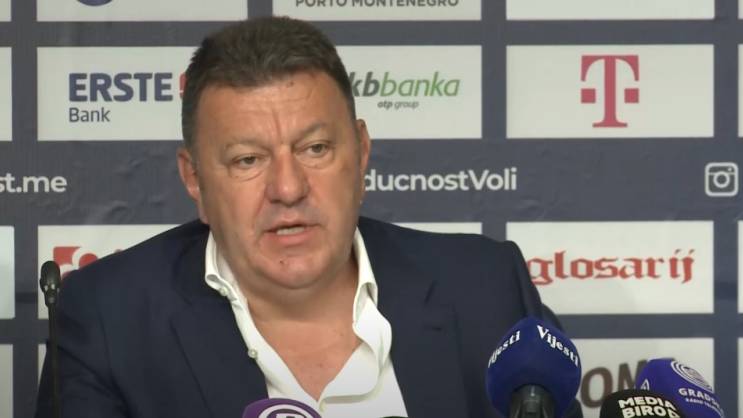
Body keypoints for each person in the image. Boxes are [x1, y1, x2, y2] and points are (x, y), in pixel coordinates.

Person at [36, 16, 580, 418]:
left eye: (315, 149)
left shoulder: (487, 288)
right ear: (194, 179)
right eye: (247, 160)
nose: (288, 188)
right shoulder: (106, 320)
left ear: (361, 154)